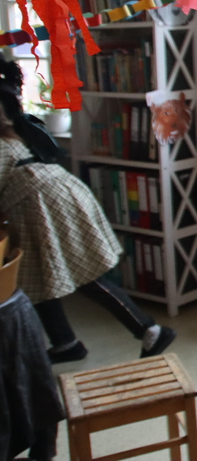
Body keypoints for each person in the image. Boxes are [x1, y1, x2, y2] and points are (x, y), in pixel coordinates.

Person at [0, 57, 176, 363]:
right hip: (49, 197)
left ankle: (149, 329)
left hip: (44, 203)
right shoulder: (15, 129)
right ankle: (65, 342)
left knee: (83, 274)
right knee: (36, 276)